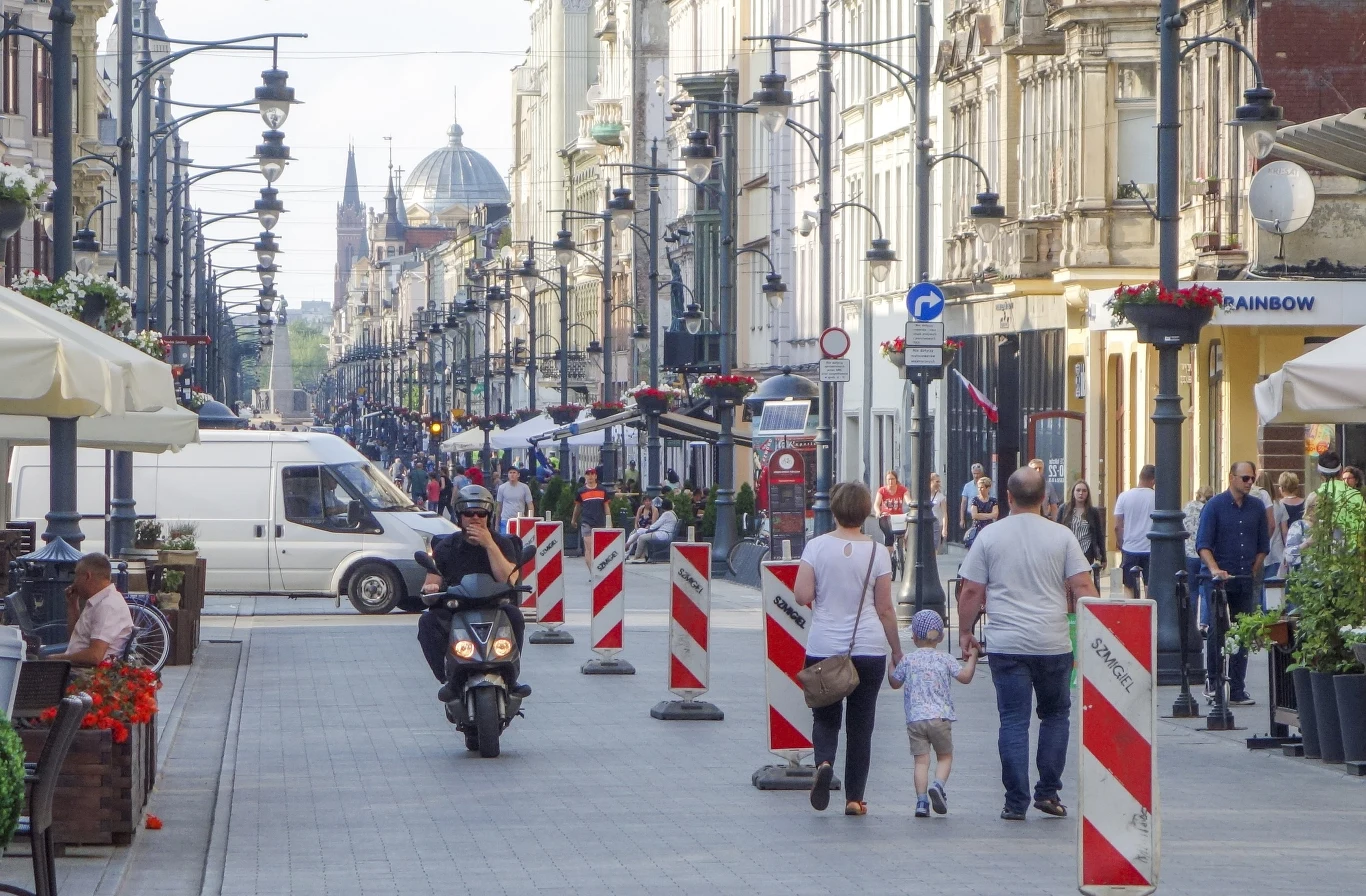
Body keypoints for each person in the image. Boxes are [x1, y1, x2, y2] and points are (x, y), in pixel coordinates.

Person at [958, 467, 1098, 820]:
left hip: (1006, 643)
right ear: (1046, 500)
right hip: (1052, 642)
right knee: (1055, 716)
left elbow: (972, 590)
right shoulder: (1061, 536)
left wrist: (964, 631)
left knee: (1013, 721)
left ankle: (1015, 802)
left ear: (1007, 497)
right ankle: (1048, 792)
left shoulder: (990, 537)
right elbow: (1082, 587)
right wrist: (1098, 630)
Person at [794, 481, 902, 817]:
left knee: (824, 716)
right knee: (861, 724)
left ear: (834, 510)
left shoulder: (816, 547)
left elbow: (801, 594)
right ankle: (855, 798)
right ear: (866, 510)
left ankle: (824, 761)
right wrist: (897, 650)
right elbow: (884, 608)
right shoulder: (878, 551)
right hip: (868, 647)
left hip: (825, 645)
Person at [416, 485, 530, 699]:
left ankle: (511, 678)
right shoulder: (446, 546)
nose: (475, 518)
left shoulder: (502, 543)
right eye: (469, 513)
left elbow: (508, 578)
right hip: (456, 608)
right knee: (427, 622)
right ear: (459, 516)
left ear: (489, 515)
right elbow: (432, 580)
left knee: (515, 616)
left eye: (481, 513)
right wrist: (430, 588)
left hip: (495, 606)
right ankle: (448, 678)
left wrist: (489, 545)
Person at [889, 610, 978, 818]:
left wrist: (891, 665)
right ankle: (938, 785)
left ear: (913, 637)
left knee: (921, 761)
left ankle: (921, 802)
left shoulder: (908, 660)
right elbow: (964, 677)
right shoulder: (945, 659)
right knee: (945, 756)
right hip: (941, 718)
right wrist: (972, 658)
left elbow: (894, 682)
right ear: (941, 637)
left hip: (916, 720)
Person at [1196, 461, 1270, 706]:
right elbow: (1203, 544)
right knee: (1218, 631)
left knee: (1242, 632)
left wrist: (1254, 567)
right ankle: (1214, 683)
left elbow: (1262, 545)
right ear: (1232, 478)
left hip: (1243, 578)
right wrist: (1215, 569)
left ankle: (1237, 688)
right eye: (1245, 478)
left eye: (1252, 478)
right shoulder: (1214, 506)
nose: (1250, 483)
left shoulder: (1257, 507)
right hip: (1217, 580)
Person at [51, 553, 134, 666]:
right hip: (79, 667)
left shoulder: (107, 605)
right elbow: (77, 639)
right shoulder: (97, 601)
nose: (74, 582)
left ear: (87, 576)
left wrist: (59, 658)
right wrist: (72, 605)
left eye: (76, 576)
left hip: (89, 672)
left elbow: (95, 656)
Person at [1114, 464, 1156, 597]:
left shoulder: (1124, 496)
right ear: (1154, 480)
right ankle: (1151, 614)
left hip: (1130, 547)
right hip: (1151, 548)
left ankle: (1131, 614)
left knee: (1129, 587)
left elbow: (1117, 526)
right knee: (1150, 586)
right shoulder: (1157, 497)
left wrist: (1122, 544)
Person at [1182, 486, 1215, 633]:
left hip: (1189, 553)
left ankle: (1191, 627)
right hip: (1205, 554)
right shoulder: (1210, 509)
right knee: (1206, 590)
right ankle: (1204, 624)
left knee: (1192, 591)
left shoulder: (1188, 507)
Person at [1057, 479, 1106, 567]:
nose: (1081, 493)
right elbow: (1057, 531)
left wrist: (1103, 557)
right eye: (1078, 490)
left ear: (1087, 493)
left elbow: (1099, 535)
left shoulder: (1093, 512)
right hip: (1068, 550)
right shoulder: (1063, 509)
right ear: (1073, 492)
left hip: (1086, 551)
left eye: (1084, 491)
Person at [572, 467, 611, 563]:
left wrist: (609, 522)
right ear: (585, 476)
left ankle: (598, 569)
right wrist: (574, 519)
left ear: (595, 476)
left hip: (600, 522)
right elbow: (577, 507)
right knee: (589, 547)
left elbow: (606, 506)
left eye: (592, 474)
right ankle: (593, 573)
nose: (590, 476)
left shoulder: (602, 490)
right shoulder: (581, 491)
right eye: (588, 474)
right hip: (586, 522)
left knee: (599, 549)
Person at [627, 497, 678, 561]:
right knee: (642, 534)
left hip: (663, 534)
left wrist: (649, 528)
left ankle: (637, 557)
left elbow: (656, 525)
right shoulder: (671, 513)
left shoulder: (667, 514)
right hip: (665, 534)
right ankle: (642, 555)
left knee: (642, 537)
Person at [873, 471, 909, 560]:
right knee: (889, 537)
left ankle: (904, 551)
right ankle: (888, 558)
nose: (890, 482)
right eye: (888, 479)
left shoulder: (902, 489)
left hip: (899, 517)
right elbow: (876, 504)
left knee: (905, 531)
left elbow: (908, 500)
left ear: (896, 479)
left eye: (892, 479)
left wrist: (911, 505)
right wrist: (878, 512)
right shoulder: (882, 491)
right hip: (887, 517)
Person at [1275, 472, 1306, 570]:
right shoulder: (1306, 503)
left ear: (1282, 488)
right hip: (1304, 543)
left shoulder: (1279, 505)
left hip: (1288, 545)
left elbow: (1284, 531)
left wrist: (1286, 550)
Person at [495, 467, 535, 531]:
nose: (512, 475)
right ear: (508, 475)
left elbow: (530, 505)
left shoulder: (524, 487)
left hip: (519, 520)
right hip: (505, 520)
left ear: (518, 475)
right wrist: (497, 524)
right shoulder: (502, 488)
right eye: (510, 473)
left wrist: (529, 520)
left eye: (514, 473)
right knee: (505, 539)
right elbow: (499, 506)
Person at [965, 476, 998, 548]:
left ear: (988, 488)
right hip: (977, 527)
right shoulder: (975, 500)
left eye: (982, 487)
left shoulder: (993, 501)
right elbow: (974, 515)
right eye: (978, 487)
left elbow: (995, 515)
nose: (979, 489)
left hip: (989, 527)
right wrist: (989, 515)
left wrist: (981, 515)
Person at [960, 463, 986, 534]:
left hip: (983, 515)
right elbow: (963, 503)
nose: (976, 476)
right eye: (974, 474)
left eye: (978, 474)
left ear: (981, 474)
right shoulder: (967, 486)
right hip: (971, 516)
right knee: (971, 536)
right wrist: (962, 519)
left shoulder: (987, 486)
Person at [928, 473, 948, 553]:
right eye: (937, 481)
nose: (939, 484)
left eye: (939, 482)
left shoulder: (941, 497)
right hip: (925, 523)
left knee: (935, 546)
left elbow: (944, 513)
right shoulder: (924, 495)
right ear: (931, 482)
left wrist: (944, 528)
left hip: (936, 523)